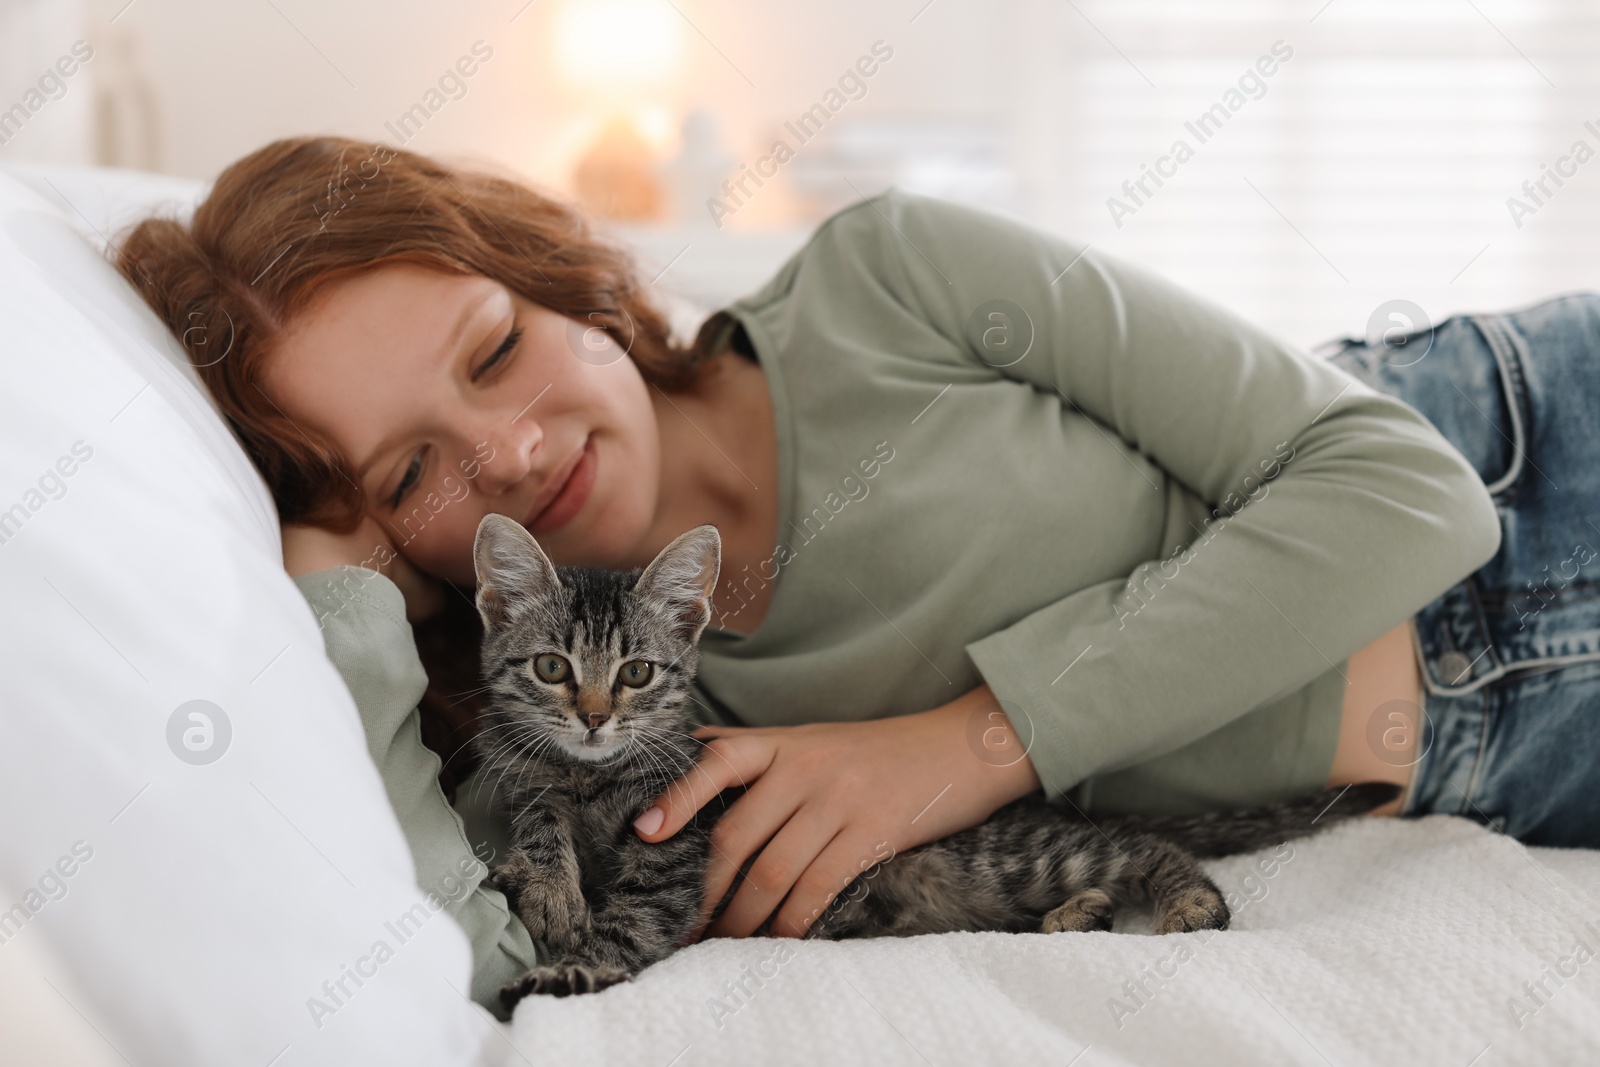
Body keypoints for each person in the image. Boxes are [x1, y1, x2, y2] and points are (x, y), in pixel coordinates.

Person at [114, 135, 1600, 1014]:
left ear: (559, 285)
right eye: (409, 474)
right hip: (1516, 756)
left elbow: (1413, 493)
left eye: (496, 346)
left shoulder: (887, 276)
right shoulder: (608, 727)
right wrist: (353, 593)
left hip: (1527, 451)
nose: (504, 453)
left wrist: (966, 744)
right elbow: (452, 940)